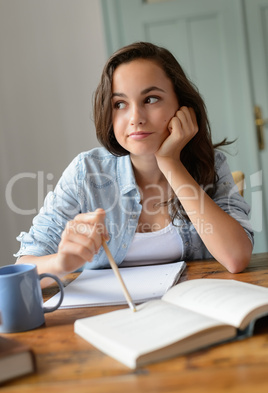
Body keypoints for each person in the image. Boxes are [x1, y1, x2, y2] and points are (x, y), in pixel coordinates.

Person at [15, 42, 253, 286]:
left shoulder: (211, 164)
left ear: (181, 106)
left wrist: (170, 163)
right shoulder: (86, 172)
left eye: (151, 99)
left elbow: (236, 258)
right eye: (120, 104)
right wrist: (62, 263)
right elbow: (22, 271)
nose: (136, 118)